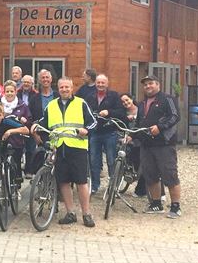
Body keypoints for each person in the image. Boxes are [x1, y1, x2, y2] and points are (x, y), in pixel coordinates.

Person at [31, 77, 97, 228]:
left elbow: (93, 122)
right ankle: (70, 213)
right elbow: (44, 121)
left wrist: (86, 130)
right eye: (62, 87)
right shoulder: (51, 105)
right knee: (64, 182)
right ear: (58, 88)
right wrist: (35, 126)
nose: (64, 90)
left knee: (81, 182)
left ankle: (86, 214)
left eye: (67, 87)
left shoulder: (81, 103)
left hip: (77, 147)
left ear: (72, 87)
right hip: (58, 147)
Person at [136, 75, 182, 218]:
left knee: (170, 175)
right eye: (145, 85)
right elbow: (139, 123)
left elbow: (175, 116)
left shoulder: (167, 99)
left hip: (164, 144)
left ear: (158, 85)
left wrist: (160, 127)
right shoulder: (142, 103)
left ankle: (175, 207)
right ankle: (156, 204)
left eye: (151, 84)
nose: (148, 87)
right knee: (150, 175)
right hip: (146, 144)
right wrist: (132, 135)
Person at [85, 74, 126, 194]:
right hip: (95, 133)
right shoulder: (90, 96)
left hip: (110, 132)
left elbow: (121, 112)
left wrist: (108, 112)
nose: (100, 85)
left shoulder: (114, 96)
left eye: (103, 83)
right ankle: (95, 185)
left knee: (111, 160)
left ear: (107, 84)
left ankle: (113, 186)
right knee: (94, 160)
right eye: (98, 83)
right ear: (95, 83)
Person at [27, 69, 59, 177]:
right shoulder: (34, 98)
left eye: (47, 77)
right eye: (43, 77)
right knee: (41, 159)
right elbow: (30, 117)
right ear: (39, 80)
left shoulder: (58, 96)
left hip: (57, 132)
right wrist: (34, 134)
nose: (45, 79)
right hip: (40, 133)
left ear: (51, 79)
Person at [2, 80, 32, 185]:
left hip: (16, 140)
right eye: (7, 91)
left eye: (11, 91)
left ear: (15, 92)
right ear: (4, 92)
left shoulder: (22, 105)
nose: (9, 93)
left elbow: (29, 121)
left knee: (16, 164)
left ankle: (16, 185)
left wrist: (25, 120)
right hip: (2, 139)